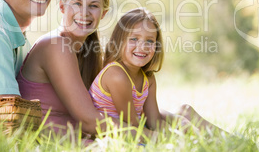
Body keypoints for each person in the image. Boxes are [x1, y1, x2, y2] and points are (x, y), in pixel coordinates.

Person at [89, 8, 225, 132]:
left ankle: (230, 140)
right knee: (180, 130)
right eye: (134, 39)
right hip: (123, 132)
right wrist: (174, 136)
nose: (142, 46)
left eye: (149, 41)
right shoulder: (116, 75)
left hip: (138, 127)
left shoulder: (148, 78)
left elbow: (154, 120)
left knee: (186, 112)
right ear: (118, 42)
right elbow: (133, 124)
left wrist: (179, 131)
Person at [17, 0, 113, 135]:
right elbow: (90, 121)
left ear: (103, 13)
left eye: (94, 6)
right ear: (62, 6)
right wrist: (147, 135)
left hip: (76, 139)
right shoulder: (56, 46)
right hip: (46, 142)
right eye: (77, 3)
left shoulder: (89, 51)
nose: (84, 13)